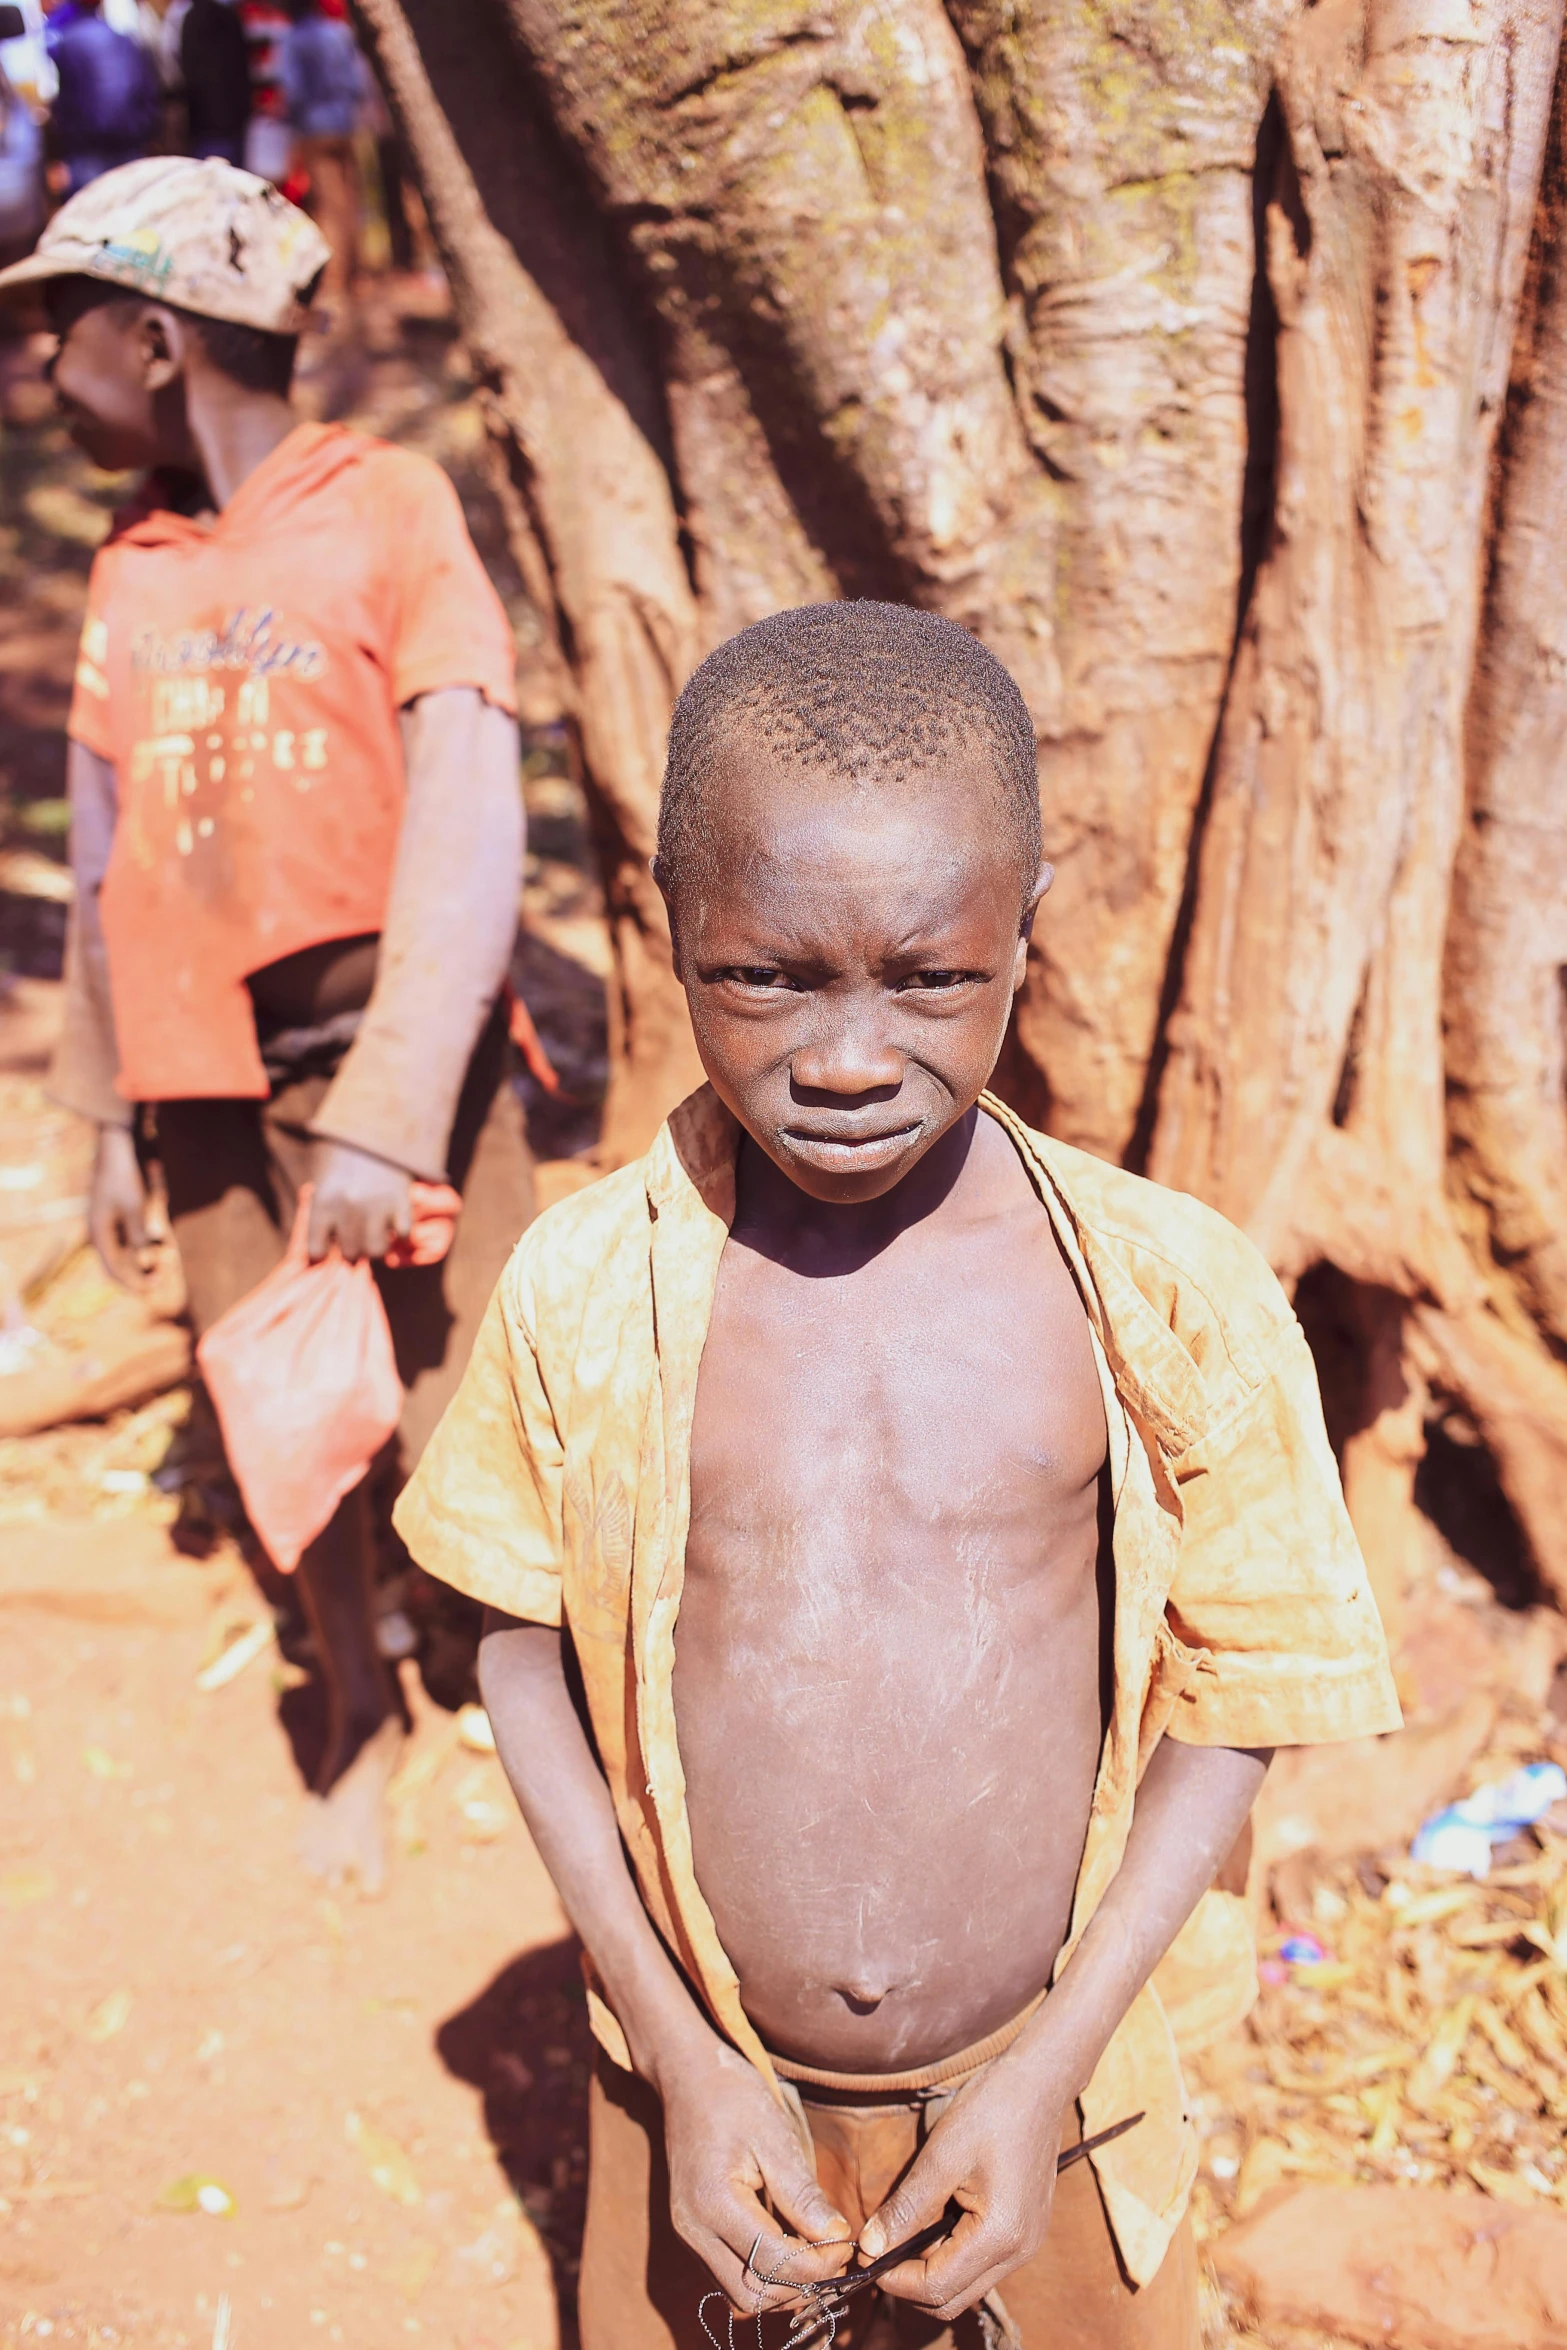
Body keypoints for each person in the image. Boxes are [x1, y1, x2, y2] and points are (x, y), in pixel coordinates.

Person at [395, 601, 1402, 2349]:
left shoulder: (1163, 1295)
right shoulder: (583, 1288)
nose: (849, 1060)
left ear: (1022, 934)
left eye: (930, 978)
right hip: (701, 2101)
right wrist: (680, 2051)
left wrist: (1046, 2075)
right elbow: (509, 1647)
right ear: (670, 927)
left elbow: (1241, 1696)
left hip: (1051, 2109)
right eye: (764, 975)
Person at [0, 154, 534, 1894]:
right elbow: (101, 861)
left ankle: (525, 1697)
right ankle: (356, 1713)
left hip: (412, 1078)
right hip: (207, 1091)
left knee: (476, 1411)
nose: (34, 364)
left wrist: (390, 1111)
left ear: (150, 340)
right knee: (283, 1424)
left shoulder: (387, 507)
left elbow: (466, 808)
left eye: (55, 324)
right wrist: (100, 1118)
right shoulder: (137, 565)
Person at [276, 0, 359, 302]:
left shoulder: (294, 38)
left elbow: (293, 90)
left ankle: (335, 280)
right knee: (348, 201)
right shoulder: (339, 33)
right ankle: (353, 272)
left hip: (314, 128)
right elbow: (355, 83)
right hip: (345, 126)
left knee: (327, 205)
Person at [45, 0, 159, 191]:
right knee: (131, 207)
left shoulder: (67, 41)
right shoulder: (125, 39)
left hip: (88, 149)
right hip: (129, 143)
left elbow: (64, 100)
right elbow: (146, 88)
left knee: (92, 213)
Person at [178, 0, 248, 164]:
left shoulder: (192, 18)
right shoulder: (229, 16)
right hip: (231, 122)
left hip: (206, 125)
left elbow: (189, 71)